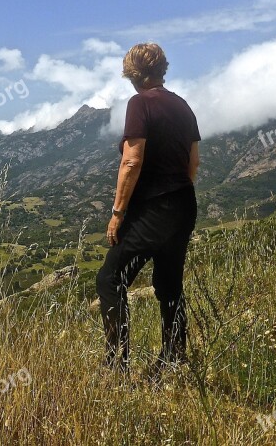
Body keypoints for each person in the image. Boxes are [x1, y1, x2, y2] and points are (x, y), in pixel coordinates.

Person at [96, 43, 200, 374]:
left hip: (152, 208)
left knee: (110, 279)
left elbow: (132, 160)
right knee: (169, 284)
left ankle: (116, 365)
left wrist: (118, 213)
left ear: (132, 74)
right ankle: (174, 359)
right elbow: (193, 164)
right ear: (162, 69)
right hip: (183, 204)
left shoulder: (139, 103)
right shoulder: (183, 106)